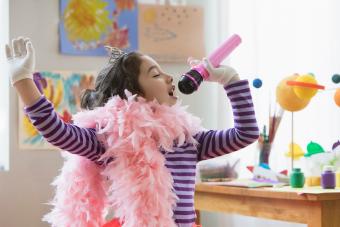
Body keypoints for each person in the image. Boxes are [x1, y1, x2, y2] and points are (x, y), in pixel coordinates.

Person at [5, 37, 259, 227]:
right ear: (133, 93)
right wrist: (23, 81)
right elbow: (56, 131)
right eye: (156, 74)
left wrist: (231, 79)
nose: (170, 78)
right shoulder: (110, 139)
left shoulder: (188, 139)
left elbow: (245, 133)